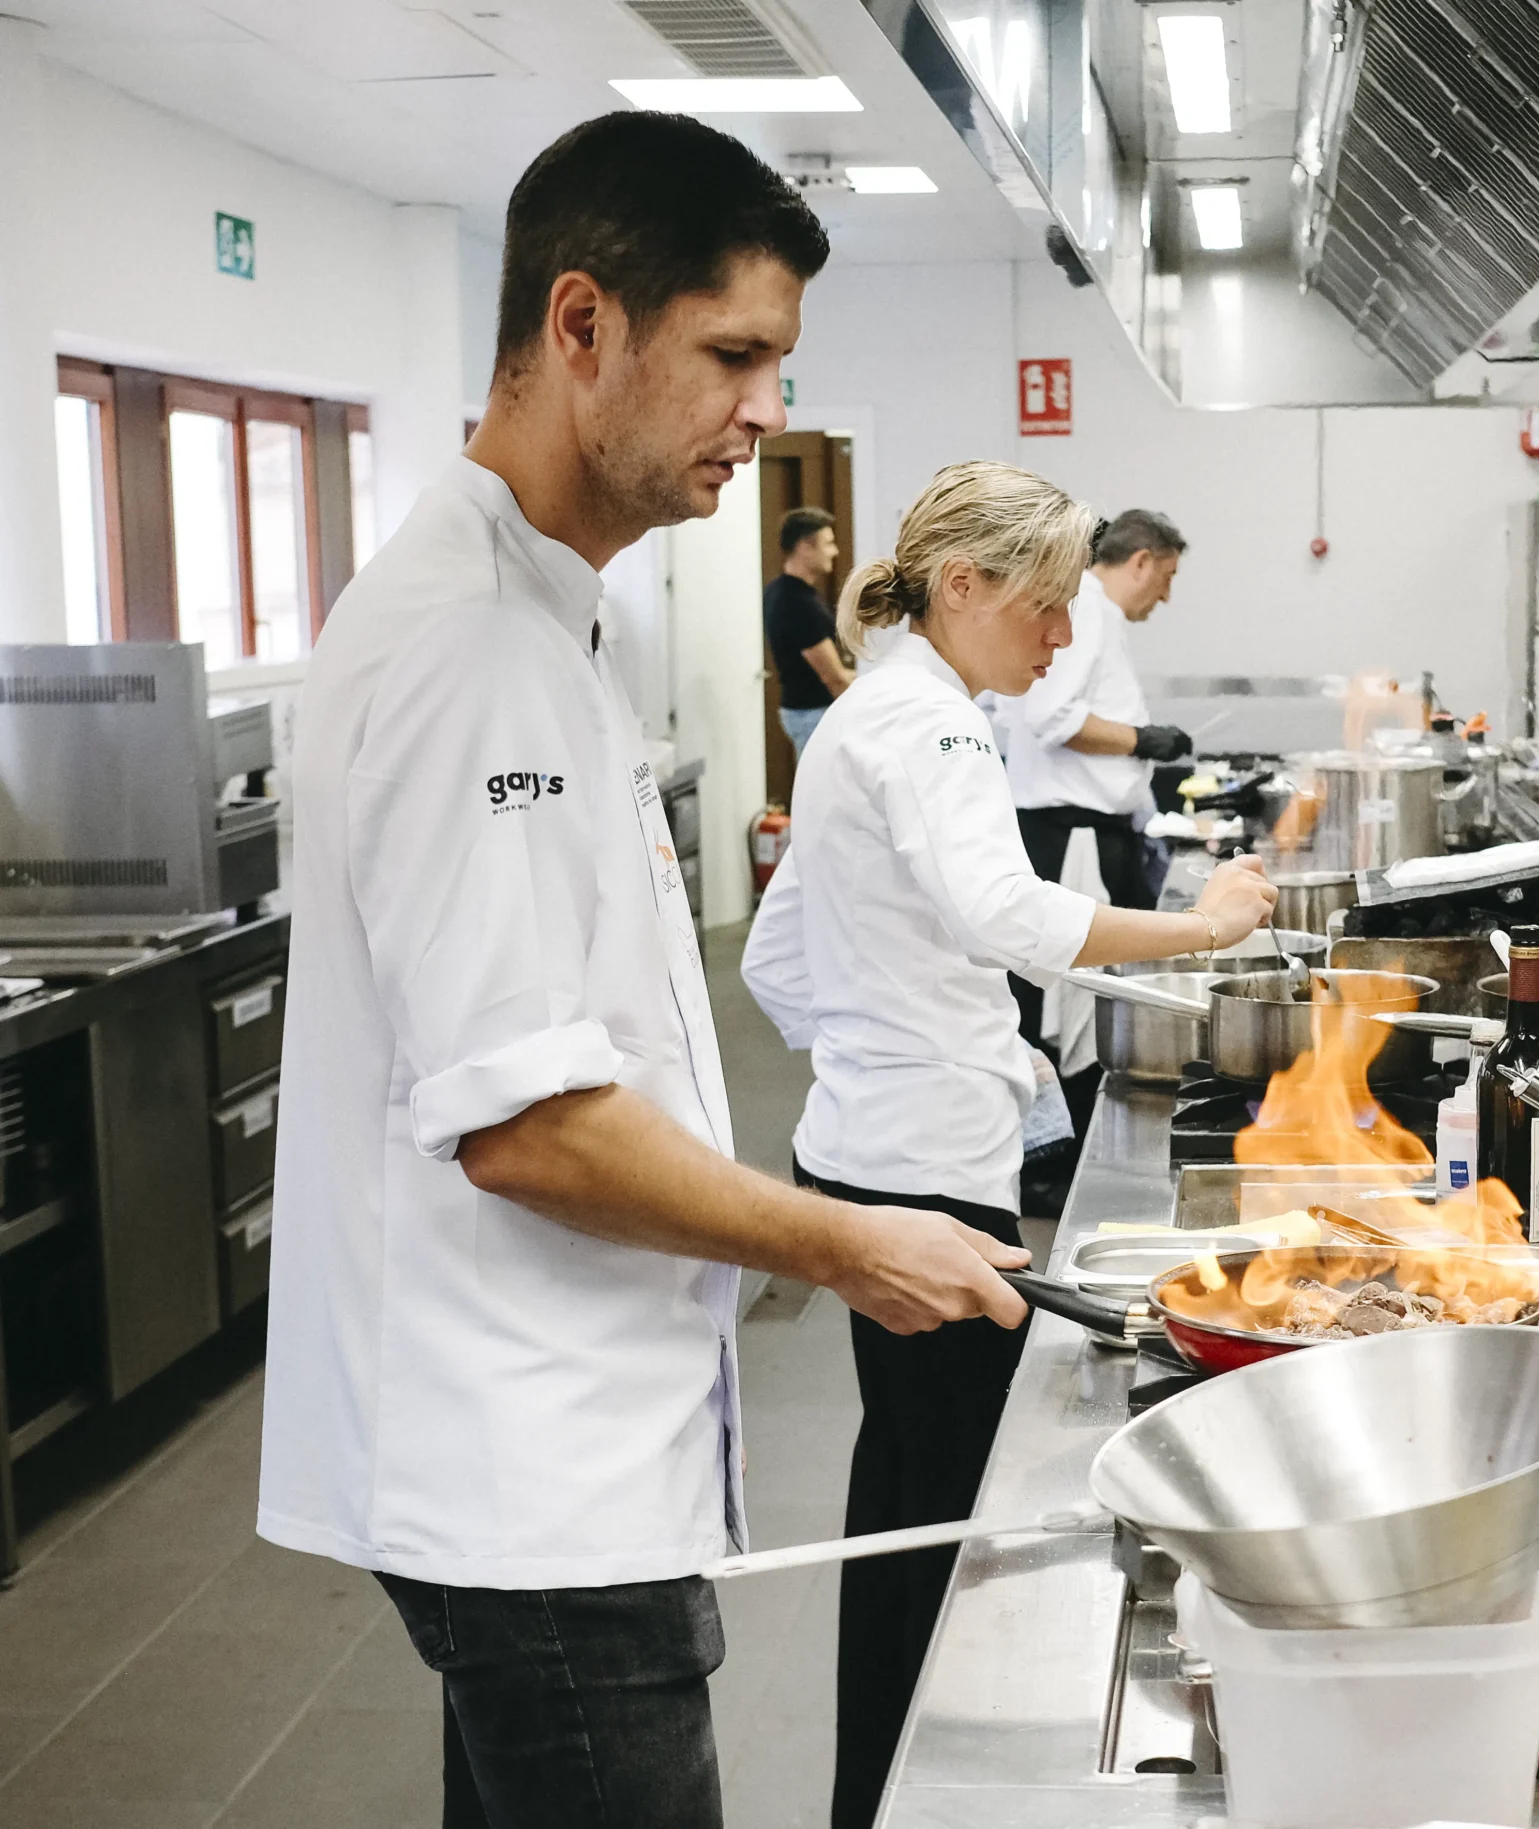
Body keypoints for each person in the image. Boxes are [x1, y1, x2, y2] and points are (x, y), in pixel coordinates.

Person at [258, 113, 1031, 1829]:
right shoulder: (471, 652)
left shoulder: (541, 615)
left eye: (779, 362)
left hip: (549, 1446)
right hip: (534, 1478)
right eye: (735, 355)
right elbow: (529, 1126)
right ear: (582, 325)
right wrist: (848, 1238)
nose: (766, 411)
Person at [738, 462, 1276, 1829]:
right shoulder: (933, 729)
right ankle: (929, 1791)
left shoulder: (879, 710)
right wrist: (1202, 933)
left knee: (902, 1481)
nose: (1061, 637)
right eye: (1042, 609)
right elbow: (1009, 916)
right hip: (919, 1165)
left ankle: (874, 1790)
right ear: (961, 588)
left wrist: (889, 1044)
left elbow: (776, 960)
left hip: (871, 1145)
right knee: (945, 1510)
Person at [997, 507, 1194, 910]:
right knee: (1076, 969)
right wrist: (1141, 741)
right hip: (1070, 833)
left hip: (1090, 826)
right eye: (1167, 577)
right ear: (1141, 561)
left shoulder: (1098, 609)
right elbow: (1052, 716)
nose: (1166, 596)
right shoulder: (1082, 604)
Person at [767, 504, 853, 752]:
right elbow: (833, 677)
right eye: (828, 543)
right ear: (805, 546)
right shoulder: (797, 604)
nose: (834, 551)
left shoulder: (779, 591)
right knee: (823, 790)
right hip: (813, 715)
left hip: (803, 712)